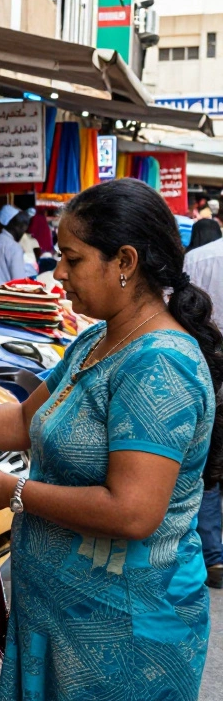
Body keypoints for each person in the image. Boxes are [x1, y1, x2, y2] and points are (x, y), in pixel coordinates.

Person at [0, 178, 218, 700]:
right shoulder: (99, 338)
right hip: (60, 617)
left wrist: (12, 494)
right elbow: (26, 423)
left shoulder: (159, 364)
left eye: (71, 259)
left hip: (124, 638)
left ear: (124, 261)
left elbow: (134, 511)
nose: (60, 274)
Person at [184, 231, 223, 588]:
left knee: (207, 463)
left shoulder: (198, 259)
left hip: (208, 369)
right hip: (208, 369)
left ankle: (214, 556)